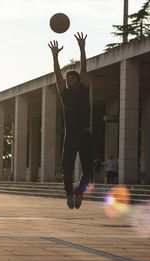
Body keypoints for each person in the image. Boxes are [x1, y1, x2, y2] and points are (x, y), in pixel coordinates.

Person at [48, 32, 93, 209]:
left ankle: (79, 192)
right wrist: (55, 56)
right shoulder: (64, 94)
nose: (70, 81)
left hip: (85, 133)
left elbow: (84, 69)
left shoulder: (84, 89)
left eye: (73, 78)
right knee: (66, 168)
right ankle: (69, 193)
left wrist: (82, 48)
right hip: (71, 136)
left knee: (88, 171)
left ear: (78, 80)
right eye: (69, 79)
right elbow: (57, 76)